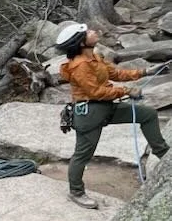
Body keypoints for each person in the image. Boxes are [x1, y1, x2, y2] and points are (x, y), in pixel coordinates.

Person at [57, 22, 168, 208]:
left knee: (147, 114)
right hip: (90, 113)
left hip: (106, 107)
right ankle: (76, 192)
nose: (93, 32)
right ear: (81, 42)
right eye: (88, 32)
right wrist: (125, 91)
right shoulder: (80, 66)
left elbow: (115, 73)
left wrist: (145, 71)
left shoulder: (95, 57)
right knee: (83, 154)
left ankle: (164, 154)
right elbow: (95, 92)